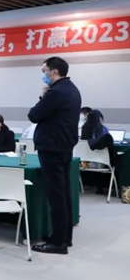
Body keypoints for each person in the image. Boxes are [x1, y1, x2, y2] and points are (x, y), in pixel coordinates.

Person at [28, 56, 81, 255]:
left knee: (56, 195)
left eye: (45, 70)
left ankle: (58, 243)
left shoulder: (56, 92)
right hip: (64, 147)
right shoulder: (72, 89)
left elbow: (34, 115)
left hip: (52, 148)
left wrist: (43, 96)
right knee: (63, 194)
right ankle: (64, 237)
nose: (43, 74)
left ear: (55, 71)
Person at [80, 109, 116, 194]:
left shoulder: (84, 129)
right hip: (101, 163)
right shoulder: (103, 130)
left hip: (84, 163)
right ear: (100, 118)